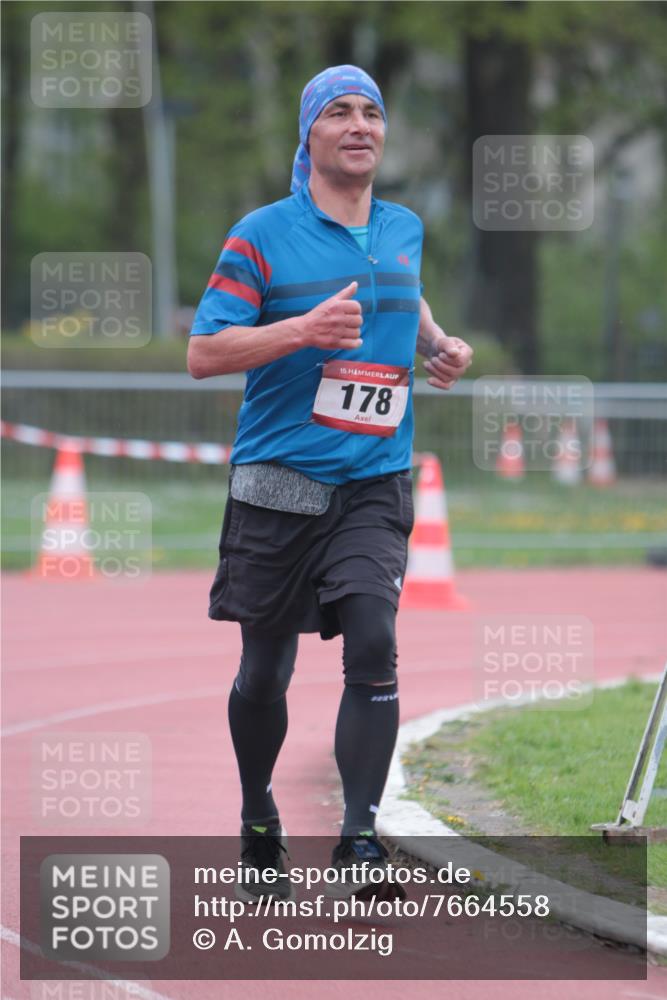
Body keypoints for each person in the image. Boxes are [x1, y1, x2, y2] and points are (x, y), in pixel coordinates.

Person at [188, 65, 473, 901]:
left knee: (376, 641)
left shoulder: (403, 228)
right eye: (339, 113)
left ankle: (359, 838)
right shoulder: (261, 235)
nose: (359, 125)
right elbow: (205, 353)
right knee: (266, 672)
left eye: (372, 113)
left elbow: (403, 298)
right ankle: (256, 812)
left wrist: (437, 345)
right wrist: (299, 331)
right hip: (279, 482)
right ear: (308, 136)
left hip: (374, 482)